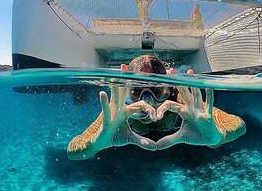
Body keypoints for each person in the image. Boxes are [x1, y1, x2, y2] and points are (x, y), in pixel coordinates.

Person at [67, 55, 246, 160]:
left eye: (156, 91)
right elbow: (72, 150)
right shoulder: (119, 108)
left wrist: (217, 137)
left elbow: (238, 125)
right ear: (127, 89)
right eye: (137, 91)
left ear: (167, 88)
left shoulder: (182, 98)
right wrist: (95, 144)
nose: (148, 100)